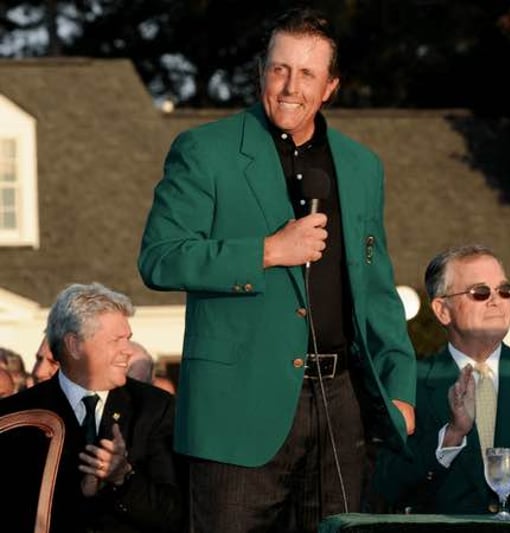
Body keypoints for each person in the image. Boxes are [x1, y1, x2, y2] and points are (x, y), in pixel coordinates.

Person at [137, 8, 416, 531]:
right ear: (261, 70)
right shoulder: (204, 151)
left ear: (330, 86)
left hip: (342, 405)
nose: (290, 87)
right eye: (279, 69)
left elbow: (376, 287)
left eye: (307, 74)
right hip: (236, 410)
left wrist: (400, 389)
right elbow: (160, 256)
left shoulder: (362, 165)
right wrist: (266, 251)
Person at [374, 245, 510, 514]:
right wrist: (452, 436)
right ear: (443, 310)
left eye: (505, 291)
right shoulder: (408, 381)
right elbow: (384, 485)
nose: (496, 300)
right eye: (480, 292)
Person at [0, 283, 184, 533]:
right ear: (75, 345)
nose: (128, 351)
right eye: (116, 340)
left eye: (128, 339)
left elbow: (174, 513)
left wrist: (122, 477)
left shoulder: (155, 408)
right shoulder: (17, 415)